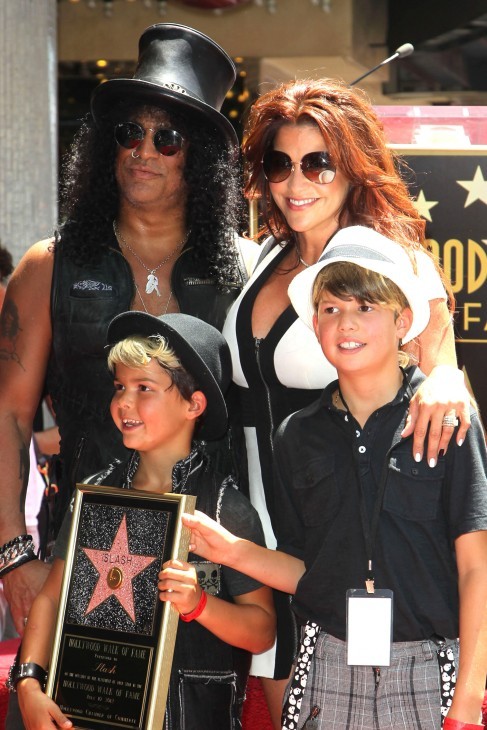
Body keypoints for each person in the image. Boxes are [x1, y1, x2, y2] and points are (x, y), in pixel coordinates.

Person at [222, 77, 472, 724]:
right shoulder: (264, 258)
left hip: (334, 536)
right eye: (278, 163)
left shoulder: (392, 265)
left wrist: (448, 379)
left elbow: (439, 371)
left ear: (352, 168)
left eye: (317, 163)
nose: (294, 181)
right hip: (250, 516)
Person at [0, 23, 254, 636]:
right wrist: (12, 556)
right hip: (75, 558)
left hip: (207, 575)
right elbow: (8, 417)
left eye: (167, 138)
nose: (143, 150)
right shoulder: (48, 266)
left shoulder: (246, 270)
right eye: (129, 133)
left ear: (201, 158)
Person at [185, 225, 487, 730]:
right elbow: (310, 572)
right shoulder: (296, 436)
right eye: (330, 309)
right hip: (327, 664)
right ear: (315, 325)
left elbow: (476, 568)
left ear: (403, 320)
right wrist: (232, 552)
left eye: (365, 307)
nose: (346, 323)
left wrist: (469, 698)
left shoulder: (447, 420)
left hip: (430, 669)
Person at [10, 312, 275, 729]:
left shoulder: (225, 509)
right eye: (119, 387)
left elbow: (262, 630)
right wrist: (28, 684)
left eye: (144, 388)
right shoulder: (96, 494)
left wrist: (199, 604)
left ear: (194, 404)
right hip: (92, 714)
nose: (123, 403)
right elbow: (50, 599)